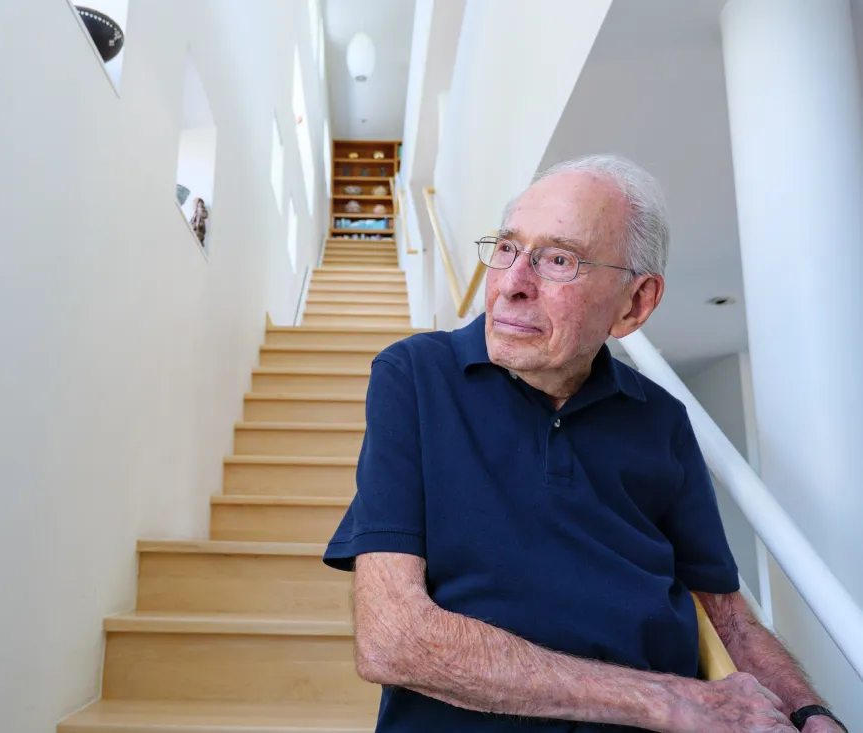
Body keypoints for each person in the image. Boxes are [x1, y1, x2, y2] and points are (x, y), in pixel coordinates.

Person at [323, 155, 847, 733]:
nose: (512, 285)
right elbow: (393, 640)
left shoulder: (664, 420)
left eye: (558, 259)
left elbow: (727, 616)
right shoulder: (415, 374)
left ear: (634, 304)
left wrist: (811, 711)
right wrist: (666, 700)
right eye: (506, 248)